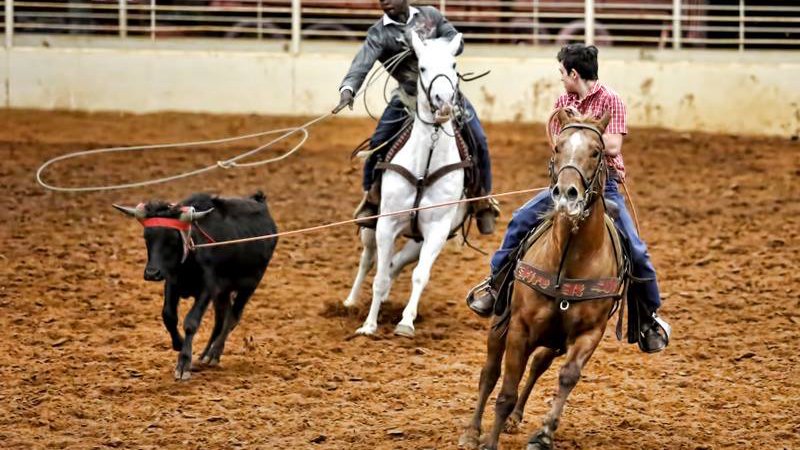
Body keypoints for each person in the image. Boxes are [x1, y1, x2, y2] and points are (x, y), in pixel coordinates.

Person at [466, 43, 670, 352]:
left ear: (574, 74)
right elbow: (558, 143)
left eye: (562, 72)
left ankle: (648, 319)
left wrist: (581, 127)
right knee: (520, 220)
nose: (561, 78)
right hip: (566, 184)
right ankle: (495, 285)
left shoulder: (611, 100)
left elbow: (613, 146)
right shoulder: (563, 101)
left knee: (637, 252)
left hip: (603, 188)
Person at [331, 0, 499, 233]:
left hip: (445, 96)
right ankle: (372, 198)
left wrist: (424, 46)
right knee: (378, 142)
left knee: (478, 139)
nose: (385, 1)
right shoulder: (379, 34)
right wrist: (348, 89)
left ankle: (482, 199)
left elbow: (457, 43)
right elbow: (362, 63)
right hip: (408, 97)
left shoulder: (431, 15)